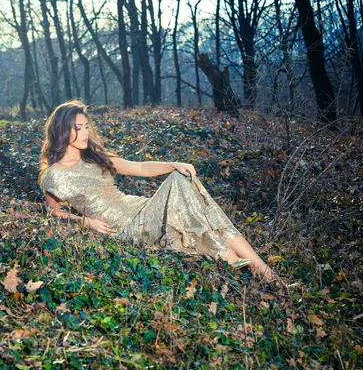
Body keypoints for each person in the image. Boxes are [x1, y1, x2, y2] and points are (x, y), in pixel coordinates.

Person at [39, 100, 276, 283]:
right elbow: (54, 213)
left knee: (192, 194)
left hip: (140, 208)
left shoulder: (96, 157)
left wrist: (174, 164)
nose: (85, 133)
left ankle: (261, 269)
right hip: (126, 228)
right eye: (77, 128)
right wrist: (87, 222)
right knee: (183, 188)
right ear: (62, 130)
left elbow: (140, 167)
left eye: (86, 127)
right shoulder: (54, 175)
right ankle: (239, 263)